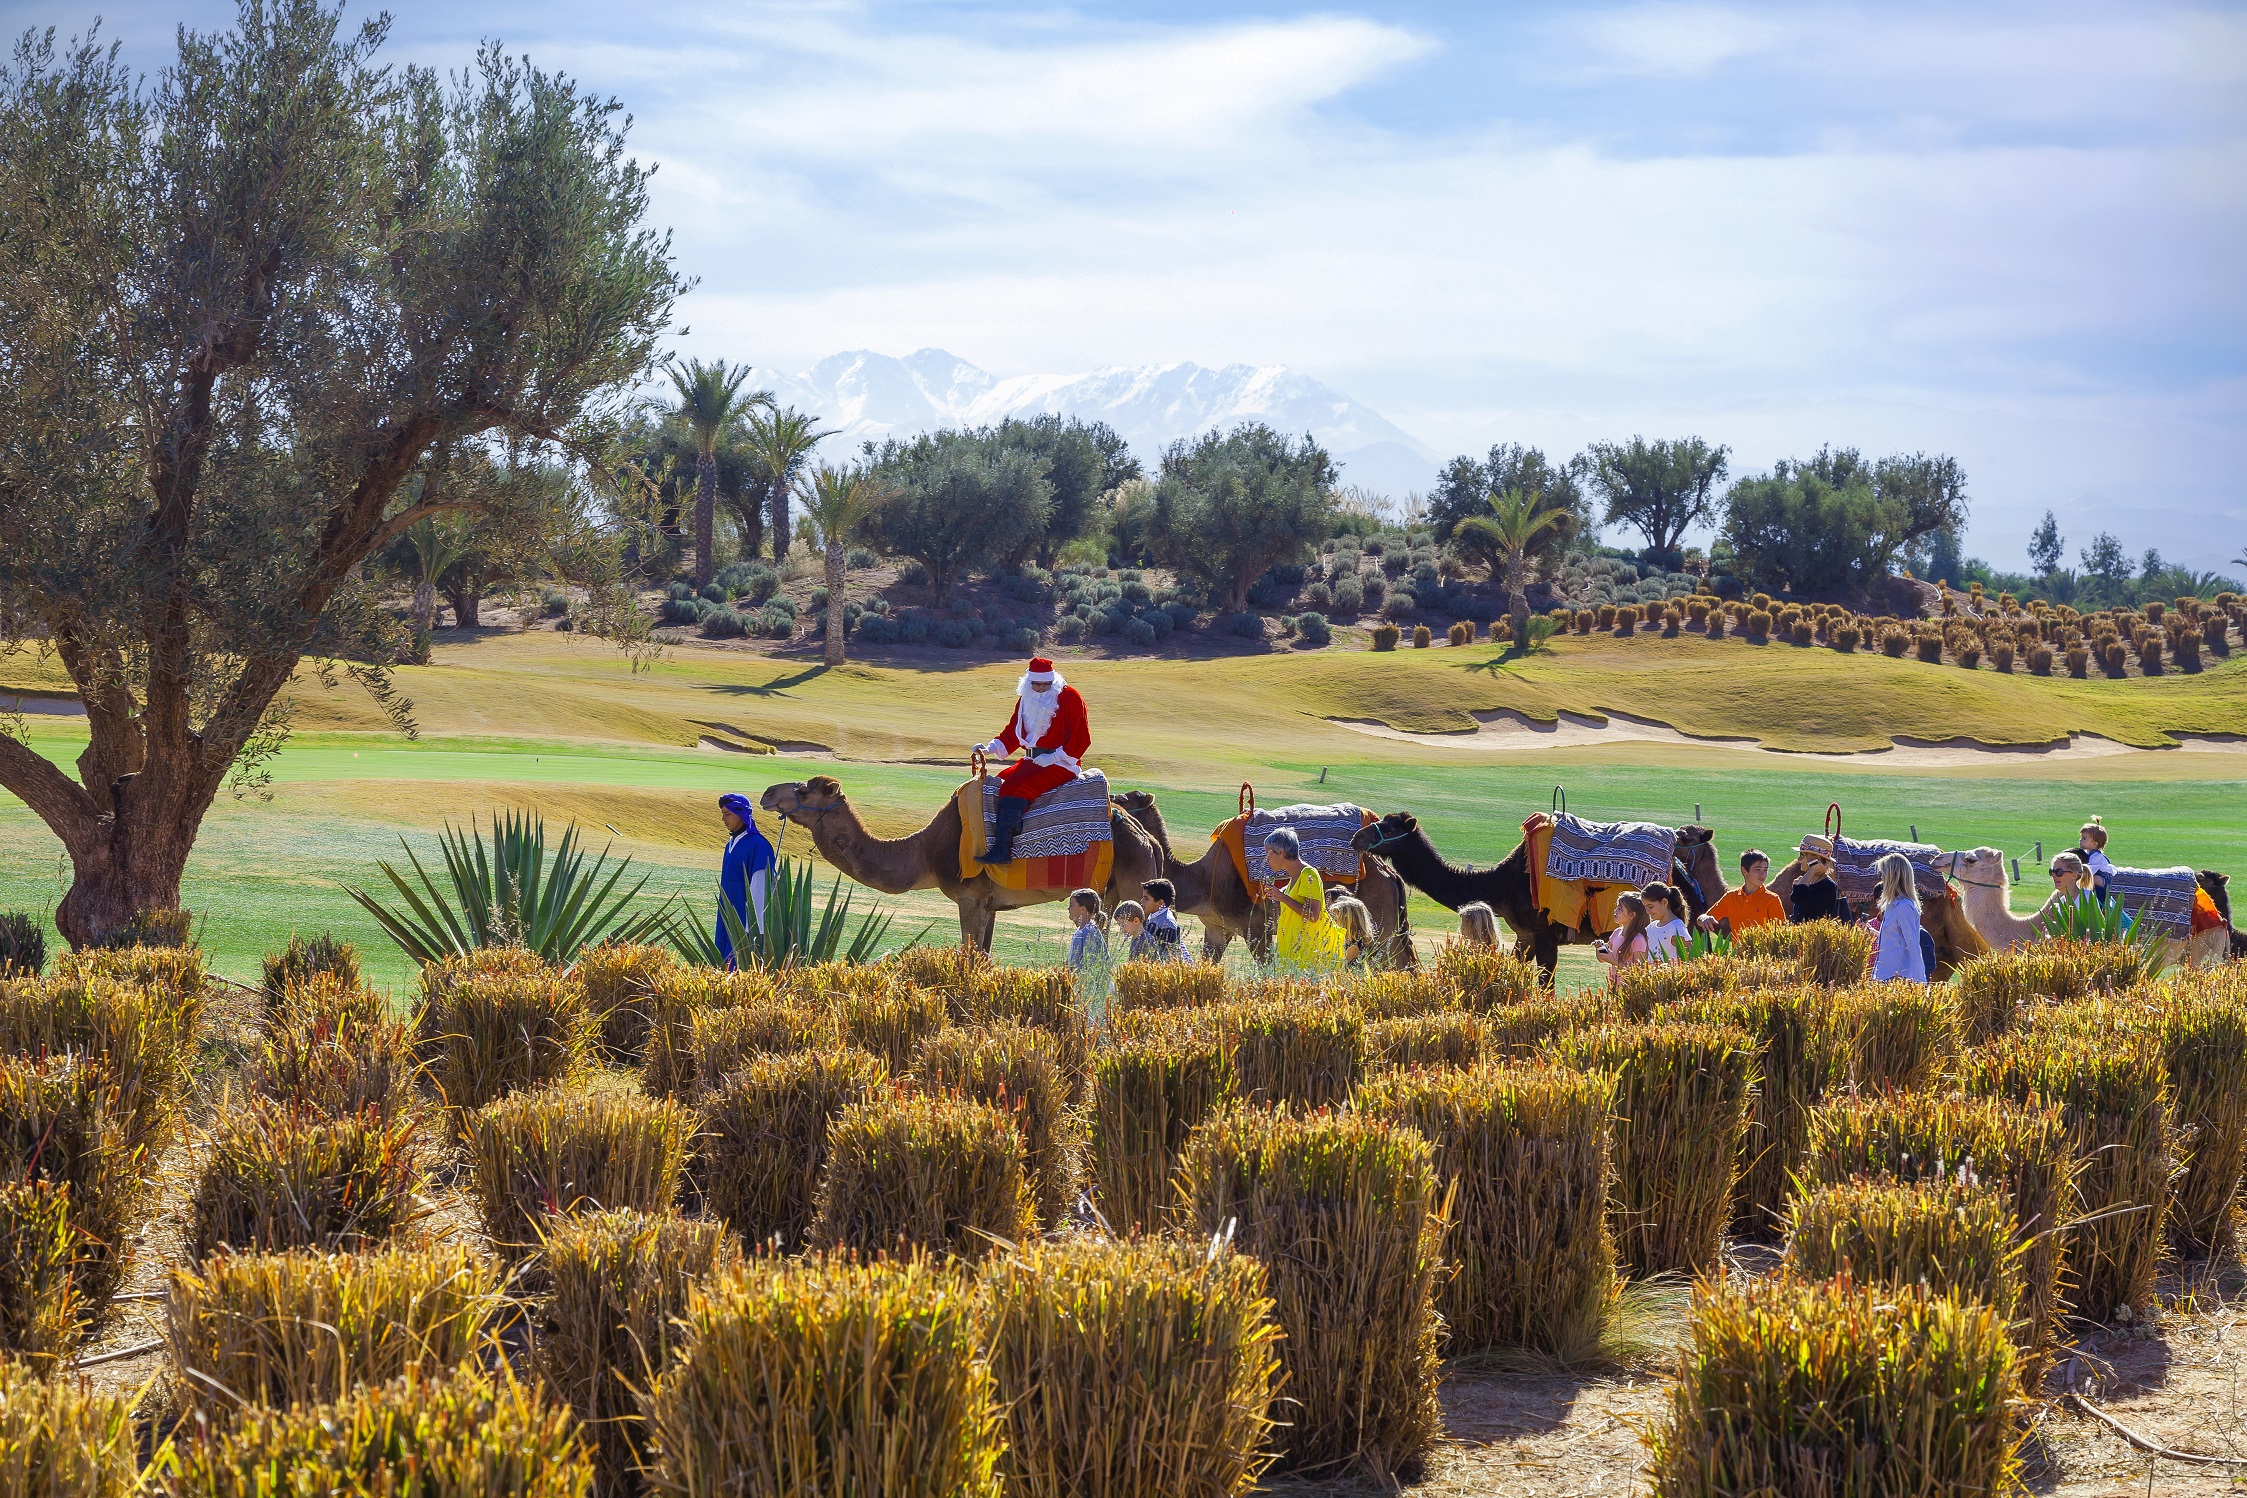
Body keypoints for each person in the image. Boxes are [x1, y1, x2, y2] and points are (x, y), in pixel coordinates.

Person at [974, 657, 1092, 865]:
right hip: (1033, 760)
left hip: (1061, 762)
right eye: (1036, 684)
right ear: (1028, 682)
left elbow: (1082, 738)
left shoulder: (1070, 697)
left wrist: (1054, 757)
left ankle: (1003, 851)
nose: (1040, 688)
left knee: (1013, 788)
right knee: (999, 782)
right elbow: (1012, 733)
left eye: (1045, 684)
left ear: (1052, 681)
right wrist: (989, 748)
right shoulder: (1025, 699)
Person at [1263, 828, 1344, 972]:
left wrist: (1282, 898)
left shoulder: (1308, 874)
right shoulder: (1294, 877)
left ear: (1281, 852)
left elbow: (1313, 915)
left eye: (1268, 853)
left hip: (1308, 957)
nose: (1266, 859)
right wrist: (1280, 895)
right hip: (1294, 953)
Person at [715, 792, 777, 971]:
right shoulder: (730, 844)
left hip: (745, 921)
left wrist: (754, 929)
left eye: (727, 814)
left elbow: (760, 889)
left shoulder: (759, 845)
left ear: (741, 815)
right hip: (727, 915)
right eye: (722, 814)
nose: (723, 819)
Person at [1869, 852, 1928, 984]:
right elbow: (1894, 940)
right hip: (1884, 975)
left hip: (1896, 978)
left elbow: (1913, 945)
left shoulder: (1904, 907)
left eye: (1883, 874)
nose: (1882, 878)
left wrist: (1921, 982)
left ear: (1892, 877)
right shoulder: (1892, 906)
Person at [1698, 850, 1786, 938]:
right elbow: (1705, 917)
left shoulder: (1772, 900)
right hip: (1737, 951)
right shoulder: (1731, 897)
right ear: (1744, 871)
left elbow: (1782, 934)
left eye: (1765, 870)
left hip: (1762, 952)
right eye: (1758, 869)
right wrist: (1703, 918)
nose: (1763, 874)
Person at [1788, 835, 1848, 923]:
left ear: (1816, 858)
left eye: (1802, 855)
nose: (1799, 859)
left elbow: (1797, 897)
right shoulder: (1808, 883)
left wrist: (1811, 870)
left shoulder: (1828, 886)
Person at [1595, 892, 1651, 979]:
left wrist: (1614, 962)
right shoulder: (1616, 933)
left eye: (1620, 909)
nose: (1615, 911)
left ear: (1631, 915)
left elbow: (1639, 972)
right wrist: (1600, 947)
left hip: (1628, 989)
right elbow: (1603, 958)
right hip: (1615, 987)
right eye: (1617, 907)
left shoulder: (1638, 939)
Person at [2038, 852, 2102, 927]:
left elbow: (2095, 929)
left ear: (2074, 875)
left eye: (2059, 872)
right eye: (2051, 872)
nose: (2053, 876)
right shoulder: (2062, 902)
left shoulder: (2086, 898)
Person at [1641, 882, 1690, 962]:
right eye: (1645, 907)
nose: (1647, 911)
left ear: (1664, 902)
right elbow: (1646, 957)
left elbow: (1689, 956)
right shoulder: (1651, 927)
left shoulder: (1676, 927)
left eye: (1650, 907)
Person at [1140, 879, 1185, 960]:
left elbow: (1170, 956)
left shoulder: (1167, 923)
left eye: (1146, 898)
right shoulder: (1153, 916)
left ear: (1160, 902)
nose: (1141, 901)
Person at [1066, 887, 1109, 973]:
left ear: (1082, 909)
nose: (1068, 909)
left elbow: (1091, 963)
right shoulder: (1080, 930)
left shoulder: (1090, 932)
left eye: (1071, 905)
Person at [2076, 819, 2115, 905]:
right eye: (2081, 837)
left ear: (2094, 844)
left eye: (2084, 838)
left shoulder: (2096, 856)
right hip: (2098, 877)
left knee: (2089, 878)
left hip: (2104, 879)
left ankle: (2100, 904)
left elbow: (2089, 871)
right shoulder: (2087, 853)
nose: (2080, 840)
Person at [1332, 894, 1377, 969]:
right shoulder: (1347, 942)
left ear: (1347, 923)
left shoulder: (1353, 947)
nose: (1333, 922)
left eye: (1336, 920)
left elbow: (1339, 969)